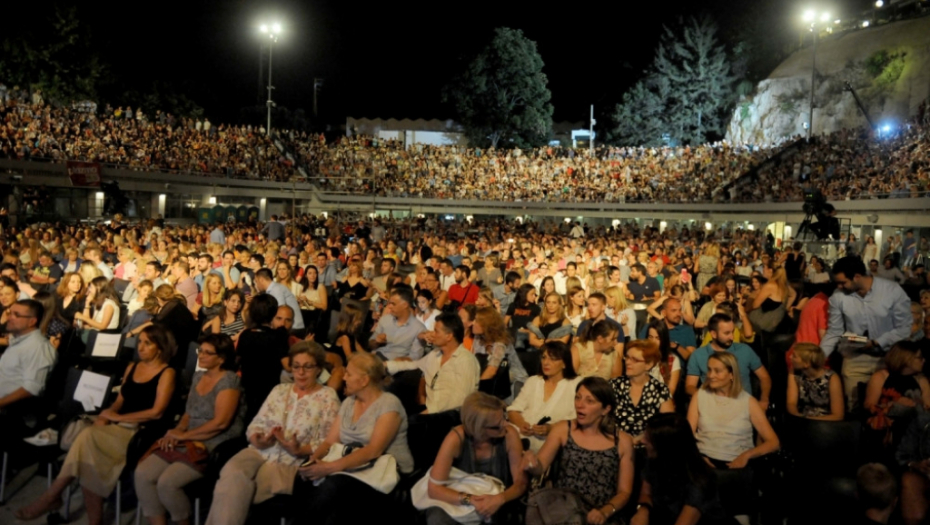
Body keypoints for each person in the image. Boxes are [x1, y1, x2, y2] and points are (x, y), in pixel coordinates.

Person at [15, 325, 177, 523]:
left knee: (87, 439)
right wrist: (107, 415)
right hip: (117, 426)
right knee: (89, 454)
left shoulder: (167, 373)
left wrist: (117, 418)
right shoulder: (132, 367)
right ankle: (88, 517)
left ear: (159, 347)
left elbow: (156, 412)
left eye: (147, 343)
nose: (140, 347)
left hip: (140, 431)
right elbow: (119, 401)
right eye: (140, 342)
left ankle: (52, 496)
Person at [205, 342, 340, 525]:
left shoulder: (328, 396)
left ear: (318, 369)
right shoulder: (279, 390)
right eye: (296, 366)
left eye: (308, 366)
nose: (300, 372)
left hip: (289, 461)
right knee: (232, 473)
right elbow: (255, 425)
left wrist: (300, 449)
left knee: (234, 491)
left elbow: (329, 442)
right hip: (257, 451)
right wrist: (258, 439)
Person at [134, 333, 245, 525]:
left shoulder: (229, 380)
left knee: (167, 483)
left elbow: (221, 423)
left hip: (215, 442)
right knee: (142, 474)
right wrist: (176, 431)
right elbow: (188, 413)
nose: (201, 355)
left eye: (207, 353)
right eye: (200, 351)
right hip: (188, 437)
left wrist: (183, 435)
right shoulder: (198, 376)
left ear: (221, 358)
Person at [293, 353, 415, 525]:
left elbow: (374, 450)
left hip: (386, 470)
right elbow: (330, 442)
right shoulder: (349, 402)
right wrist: (313, 461)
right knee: (303, 477)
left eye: (349, 374)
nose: (344, 377)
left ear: (364, 380)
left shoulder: (389, 404)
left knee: (333, 486)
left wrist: (328, 468)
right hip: (355, 465)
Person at [522, 377, 635, 525]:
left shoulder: (622, 441)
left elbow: (624, 492)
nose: (580, 405)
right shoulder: (563, 429)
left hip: (602, 513)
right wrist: (532, 463)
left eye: (590, 401)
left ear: (605, 409)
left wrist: (604, 512)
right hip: (565, 512)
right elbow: (541, 466)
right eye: (578, 398)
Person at [422, 392, 528, 525]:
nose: (505, 425)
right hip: (460, 499)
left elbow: (521, 482)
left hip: (495, 498)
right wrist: (470, 499)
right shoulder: (456, 438)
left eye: (504, 418)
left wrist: (499, 499)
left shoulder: (509, 434)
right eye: (498, 425)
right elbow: (434, 489)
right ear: (478, 427)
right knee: (437, 517)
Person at [821, 256, 912, 409]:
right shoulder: (838, 296)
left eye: (843, 282)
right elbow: (834, 331)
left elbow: (905, 328)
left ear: (857, 276)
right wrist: (818, 356)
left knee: (886, 410)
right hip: (854, 357)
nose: (840, 287)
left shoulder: (892, 290)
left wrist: (878, 341)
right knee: (854, 407)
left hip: (889, 359)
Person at [631, 413, 733, 525]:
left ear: (665, 446)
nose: (642, 441)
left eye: (649, 439)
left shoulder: (699, 480)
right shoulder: (654, 460)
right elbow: (646, 492)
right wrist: (643, 510)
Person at [688, 352, 779, 469]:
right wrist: (698, 457)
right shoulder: (699, 395)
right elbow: (687, 435)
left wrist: (747, 455)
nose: (711, 375)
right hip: (703, 459)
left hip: (737, 462)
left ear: (731, 374)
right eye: (709, 370)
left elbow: (773, 442)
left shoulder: (749, 402)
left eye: (717, 371)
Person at [386, 313, 481, 414]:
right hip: (428, 410)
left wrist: (426, 413)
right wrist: (385, 365)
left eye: (436, 331)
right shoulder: (436, 354)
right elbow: (414, 365)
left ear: (449, 336)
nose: (432, 334)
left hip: (446, 417)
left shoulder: (466, 361)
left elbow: (459, 400)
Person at [0, 300, 58, 448]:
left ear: (32, 321)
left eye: (16, 315)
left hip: (13, 412)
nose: (10, 317)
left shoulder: (37, 348)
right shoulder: (19, 342)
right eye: (9, 313)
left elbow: (32, 388)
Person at [686, 314, 772, 410]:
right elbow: (690, 386)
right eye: (727, 333)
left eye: (732, 332)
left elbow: (764, 377)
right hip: (713, 407)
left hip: (744, 407)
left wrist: (764, 399)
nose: (732, 337)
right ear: (713, 334)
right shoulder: (698, 354)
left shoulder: (744, 350)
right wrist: (707, 397)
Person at [507, 341, 581, 452]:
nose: (546, 362)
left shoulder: (576, 384)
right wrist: (522, 424)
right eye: (544, 358)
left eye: (552, 359)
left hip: (554, 441)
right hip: (521, 437)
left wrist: (551, 428)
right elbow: (513, 410)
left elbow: (577, 419)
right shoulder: (533, 381)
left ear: (564, 363)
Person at [864, 341, 930, 449]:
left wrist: (917, 405)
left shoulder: (921, 380)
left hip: (915, 426)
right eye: (920, 357)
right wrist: (893, 404)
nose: (924, 360)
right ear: (906, 359)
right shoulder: (881, 377)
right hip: (888, 426)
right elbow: (869, 406)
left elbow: (927, 408)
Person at [237, 293, 291, 425]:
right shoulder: (278, 336)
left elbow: (237, 360)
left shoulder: (245, 335)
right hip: (269, 390)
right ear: (273, 313)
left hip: (248, 387)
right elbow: (287, 365)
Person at [610, 340, 674, 443]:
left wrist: (638, 440)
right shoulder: (614, 385)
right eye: (627, 357)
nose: (627, 362)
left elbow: (667, 425)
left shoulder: (660, 390)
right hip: (615, 443)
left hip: (647, 447)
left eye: (635, 360)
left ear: (648, 365)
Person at [786, 343, 844, 421]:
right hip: (801, 420)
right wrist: (798, 418)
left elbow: (838, 415)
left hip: (826, 422)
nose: (790, 357)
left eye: (794, 356)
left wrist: (809, 420)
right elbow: (791, 403)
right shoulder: (794, 372)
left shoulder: (832, 378)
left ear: (806, 364)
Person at [370, 286, 427, 360]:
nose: (389, 306)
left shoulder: (419, 328)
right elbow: (370, 344)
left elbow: (415, 356)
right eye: (389, 303)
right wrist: (376, 342)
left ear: (405, 305)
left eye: (393, 304)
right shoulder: (385, 319)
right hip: (375, 358)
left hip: (394, 365)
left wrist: (398, 362)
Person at [255, 268, 305, 332]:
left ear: (261, 280)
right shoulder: (273, 289)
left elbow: (280, 312)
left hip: (293, 328)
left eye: (256, 281)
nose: (256, 285)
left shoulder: (276, 290)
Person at [643, 318, 682, 396]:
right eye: (650, 337)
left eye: (657, 338)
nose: (653, 341)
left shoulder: (673, 360)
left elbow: (671, 390)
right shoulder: (640, 357)